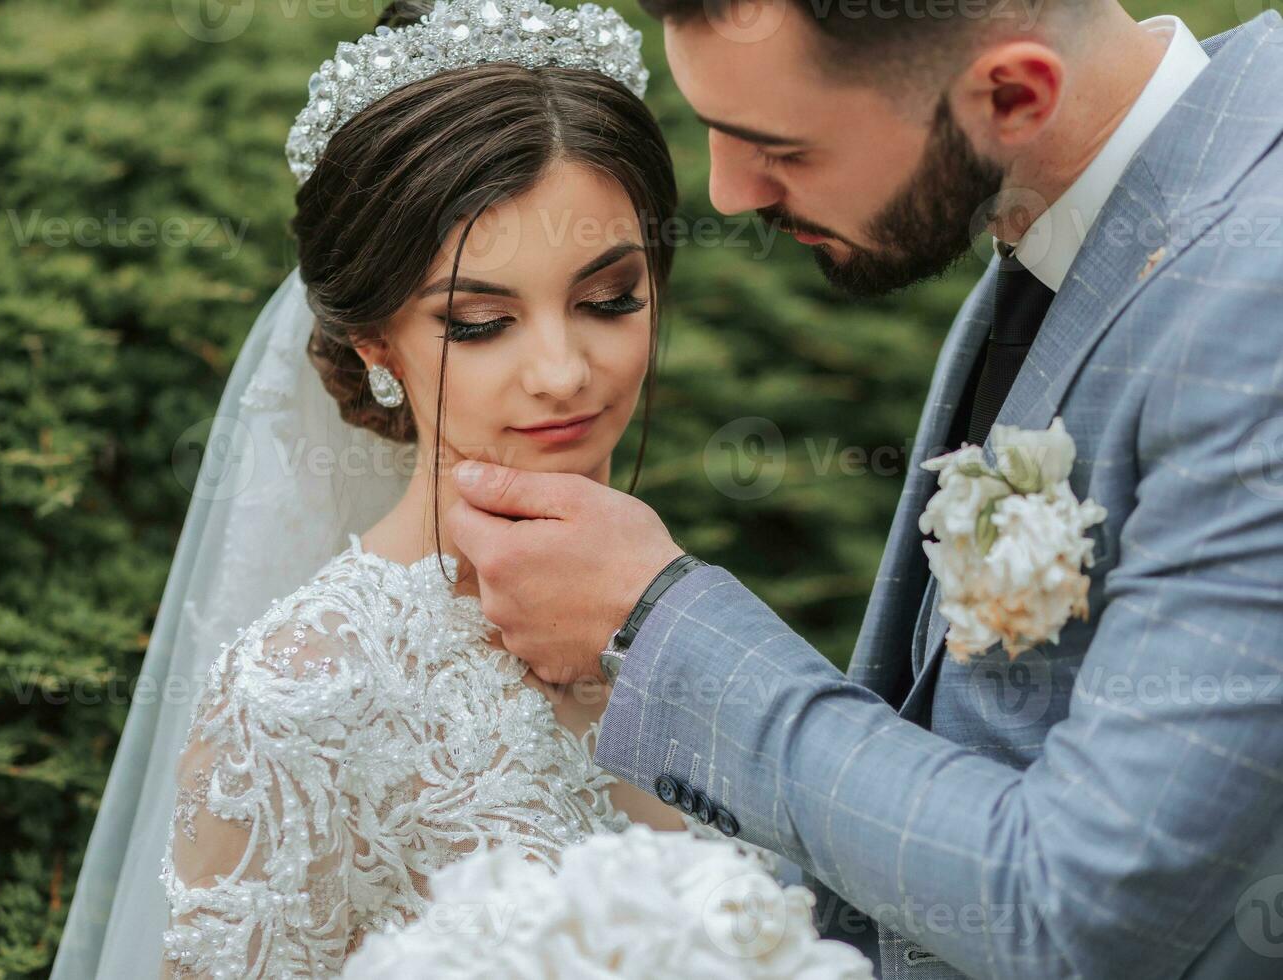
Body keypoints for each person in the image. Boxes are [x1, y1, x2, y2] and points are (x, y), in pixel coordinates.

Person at [446, 2, 1283, 978]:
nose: (725, 190)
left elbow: (1081, 909)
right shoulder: (1104, 198)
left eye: (779, 148)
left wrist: (654, 619)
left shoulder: (1252, 317)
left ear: (1011, 96)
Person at [54, 0, 829, 977]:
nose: (561, 370)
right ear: (376, 341)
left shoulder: (702, 619)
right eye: (479, 321)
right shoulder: (301, 691)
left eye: (607, 299)